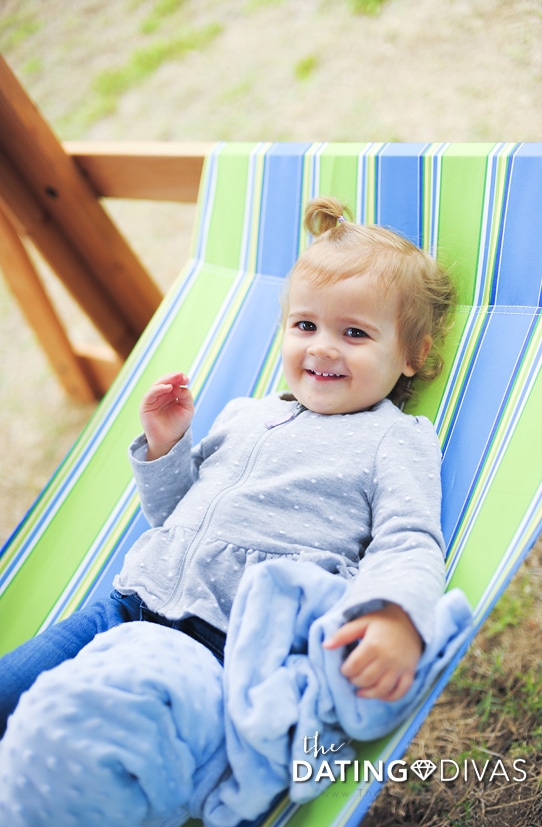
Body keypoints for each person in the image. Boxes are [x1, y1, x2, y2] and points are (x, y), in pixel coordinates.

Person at [0, 197, 456, 817]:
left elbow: (409, 540)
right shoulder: (248, 413)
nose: (322, 347)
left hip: (217, 642)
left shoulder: (394, 438)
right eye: (305, 325)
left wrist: (397, 614)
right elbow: (175, 515)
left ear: (413, 356)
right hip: (123, 605)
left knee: (83, 744)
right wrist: (167, 448)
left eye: (354, 332)